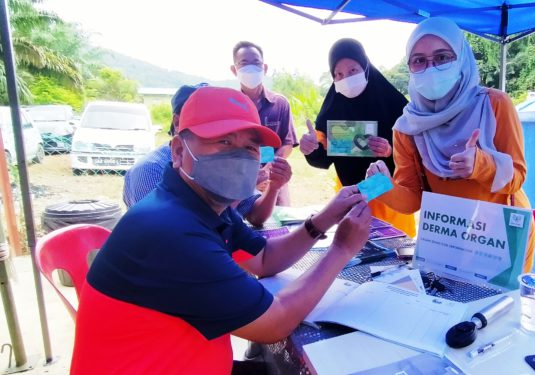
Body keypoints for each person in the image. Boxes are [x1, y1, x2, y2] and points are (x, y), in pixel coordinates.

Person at [70, 86, 371, 374]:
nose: (239, 157)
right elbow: (275, 323)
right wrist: (341, 249)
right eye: (224, 142)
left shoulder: (203, 205)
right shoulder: (171, 232)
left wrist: (327, 217)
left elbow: (265, 259)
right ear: (178, 151)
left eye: (250, 147)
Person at [367, 17, 535, 271]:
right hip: (447, 236)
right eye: (419, 60)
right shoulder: (408, 127)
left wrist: (480, 165)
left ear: (461, 58)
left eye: (443, 57)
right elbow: (413, 199)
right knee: (444, 305)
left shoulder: (494, 104)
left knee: (496, 310)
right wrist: (380, 186)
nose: (431, 68)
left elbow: (517, 176)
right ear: (410, 67)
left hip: (499, 236)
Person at [122, 83, 291, 227]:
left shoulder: (227, 166)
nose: (234, 150)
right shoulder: (148, 171)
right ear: (177, 123)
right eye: (222, 140)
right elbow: (174, 239)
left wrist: (272, 187)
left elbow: (254, 216)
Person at [300, 38, 416, 237]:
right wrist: (311, 149)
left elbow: (414, 156)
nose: (346, 78)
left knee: (394, 257)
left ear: (365, 67)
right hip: (350, 197)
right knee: (352, 250)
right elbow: (322, 157)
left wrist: (390, 151)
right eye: (338, 74)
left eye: (352, 70)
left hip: (389, 197)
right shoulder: (332, 108)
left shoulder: (395, 105)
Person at [231, 41, 297, 206]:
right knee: (241, 225)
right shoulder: (229, 106)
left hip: (274, 181)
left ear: (265, 68)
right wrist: (250, 176)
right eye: (244, 63)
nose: (251, 68)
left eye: (256, 63)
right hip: (239, 182)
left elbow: (287, 144)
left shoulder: (280, 103)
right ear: (234, 70)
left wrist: (267, 170)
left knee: (281, 227)